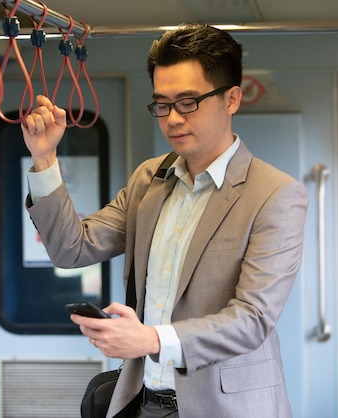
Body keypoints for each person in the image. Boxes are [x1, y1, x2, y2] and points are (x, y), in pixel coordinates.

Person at [21, 23, 308, 418]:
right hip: (145, 402)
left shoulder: (275, 194)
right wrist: (44, 158)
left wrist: (150, 339)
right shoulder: (149, 180)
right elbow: (73, 249)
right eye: (162, 103)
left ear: (232, 99)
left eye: (188, 102)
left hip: (227, 407)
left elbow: (252, 320)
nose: (172, 118)